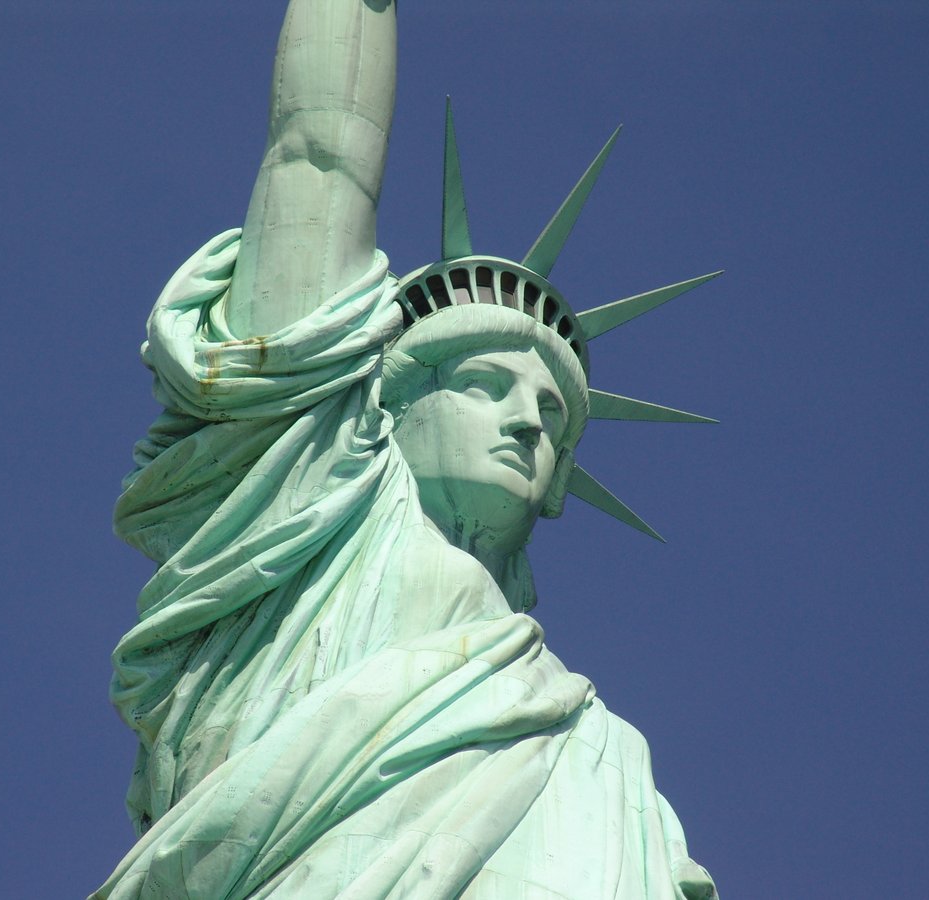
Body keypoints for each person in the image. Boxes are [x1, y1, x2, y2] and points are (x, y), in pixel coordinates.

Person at [93, 1, 718, 897]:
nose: (528, 421)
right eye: (483, 384)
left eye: (553, 410)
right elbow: (320, 152)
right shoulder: (303, 515)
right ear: (388, 396)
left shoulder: (591, 741)